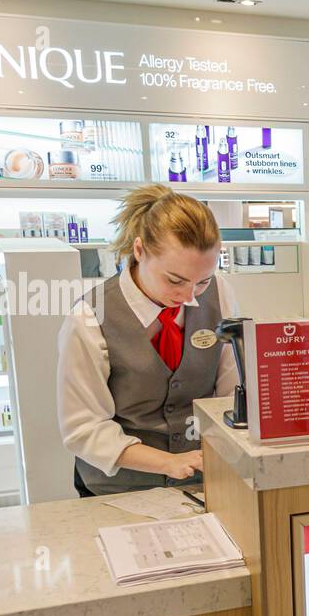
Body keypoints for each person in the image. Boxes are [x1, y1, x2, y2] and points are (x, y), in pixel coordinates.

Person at [57, 184, 239, 496]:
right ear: (139, 251)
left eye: (202, 281)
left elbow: (230, 390)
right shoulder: (90, 318)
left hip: (203, 482)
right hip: (119, 490)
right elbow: (83, 428)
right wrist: (168, 462)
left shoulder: (218, 293)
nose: (189, 296)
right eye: (175, 280)